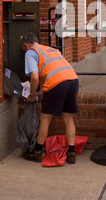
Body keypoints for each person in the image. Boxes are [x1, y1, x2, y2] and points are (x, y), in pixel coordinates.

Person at [20, 32, 79, 163]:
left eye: (23, 49)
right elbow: (54, 70)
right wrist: (45, 92)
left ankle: (38, 152)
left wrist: (31, 95)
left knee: (45, 118)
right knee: (68, 118)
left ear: (26, 45)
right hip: (73, 80)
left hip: (56, 83)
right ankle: (71, 153)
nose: (23, 53)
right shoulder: (50, 49)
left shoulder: (31, 52)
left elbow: (34, 77)